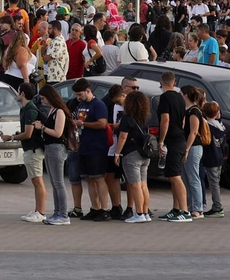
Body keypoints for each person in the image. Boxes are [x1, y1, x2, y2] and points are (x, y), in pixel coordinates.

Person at [3, 80, 47, 223]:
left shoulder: (30, 110)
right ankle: (37, 210)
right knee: (35, 180)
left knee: (38, 181)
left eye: (18, 91)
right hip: (29, 149)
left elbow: (28, 134)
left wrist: (11, 137)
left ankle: (41, 212)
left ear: (22, 93)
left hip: (34, 149)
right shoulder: (25, 109)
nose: (16, 93)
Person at [71, 78, 112, 222]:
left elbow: (102, 124)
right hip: (83, 146)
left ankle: (104, 209)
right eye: (76, 95)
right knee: (89, 179)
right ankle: (95, 208)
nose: (78, 97)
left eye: (80, 94)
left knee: (98, 178)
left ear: (88, 91)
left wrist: (83, 124)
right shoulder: (81, 105)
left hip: (96, 147)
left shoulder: (98, 104)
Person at [35, 85, 74, 225]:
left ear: (50, 97)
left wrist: (42, 127)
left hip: (57, 148)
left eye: (43, 98)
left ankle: (63, 214)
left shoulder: (60, 112)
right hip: (49, 147)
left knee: (58, 183)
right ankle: (57, 212)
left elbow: (58, 133)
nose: (43, 101)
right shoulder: (52, 110)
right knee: (54, 182)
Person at [156, 71, 191, 221]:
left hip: (172, 140)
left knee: (175, 177)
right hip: (180, 138)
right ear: (174, 82)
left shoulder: (165, 98)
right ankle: (176, 209)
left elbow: (165, 120)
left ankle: (185, 211)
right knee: (172, 175)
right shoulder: (179, 97)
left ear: (161, 82)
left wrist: (161, 141)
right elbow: (183, 120)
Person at [114, 87, 152, 222]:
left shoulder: (127, 118)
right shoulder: (145, 118)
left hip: (131, 154)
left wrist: (117, 153)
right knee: (143, 184)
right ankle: (145, 213)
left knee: (135, 184)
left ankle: (139, 213)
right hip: (144, 154)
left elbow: (123, 137)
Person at [183, 86, 207, 219]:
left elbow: (193, 132)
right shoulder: (187, 110)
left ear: (186, 95)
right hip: (189, 147)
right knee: (186, 178)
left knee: (193, 177)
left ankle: (198, 208)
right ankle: (190, 206)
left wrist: (187, 149)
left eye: (181, 93)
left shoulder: (194, 111)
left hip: (194, 147)